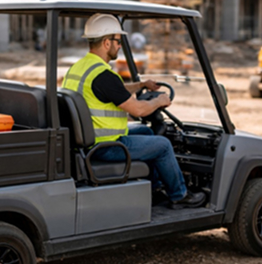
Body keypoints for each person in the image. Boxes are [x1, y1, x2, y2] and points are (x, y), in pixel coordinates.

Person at [62, 13, 207, 209]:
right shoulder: (104, 75)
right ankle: (179, 194)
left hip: (88, 141)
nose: (120, 45)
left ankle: (154, 189)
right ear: (106, 42)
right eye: (118, 41)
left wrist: (141, 85)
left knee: (147, 132)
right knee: (163, 145)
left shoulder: (79, 68)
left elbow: (112, 92)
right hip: (106, 146)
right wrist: (159, 101)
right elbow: (139, 109)